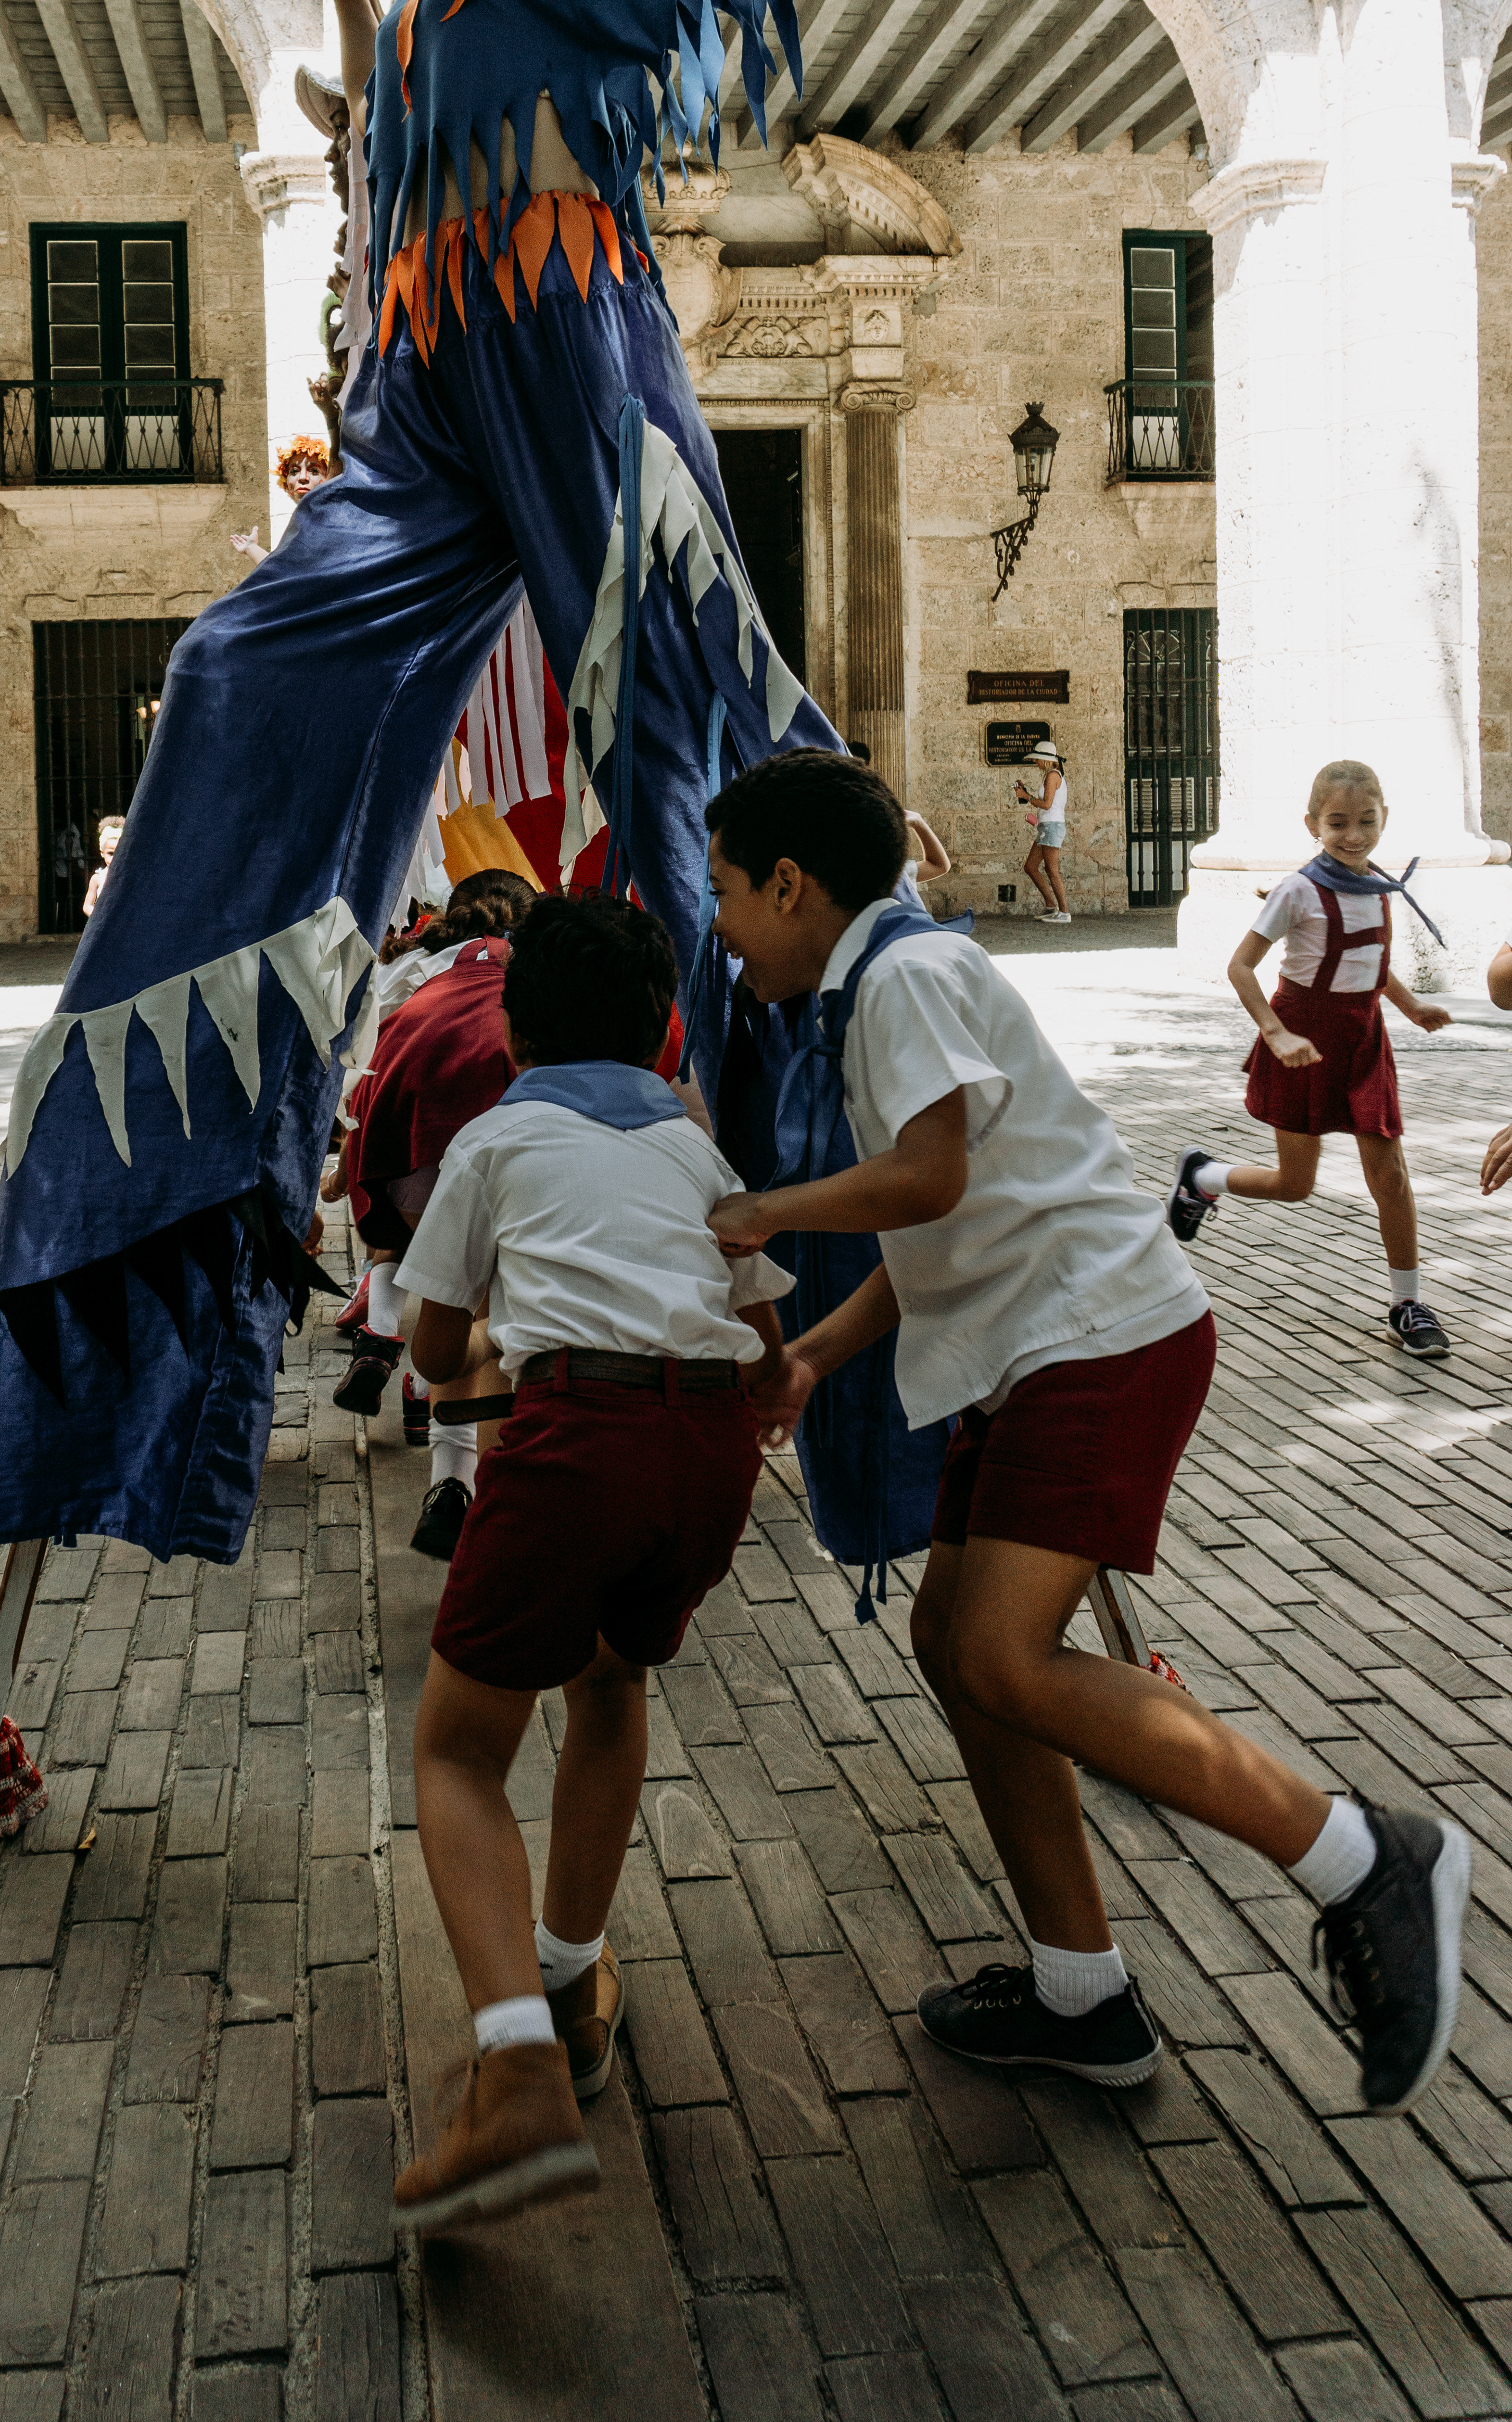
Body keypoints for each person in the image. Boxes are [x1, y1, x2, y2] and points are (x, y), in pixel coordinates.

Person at [0, 0, 1205, 1580]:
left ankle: (883, 1301)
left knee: (712, 791)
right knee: (233, 688)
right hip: (437, 405)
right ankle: (153, 1203)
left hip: (581, 370)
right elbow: (395, 165)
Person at [704, 747, 1471, 2114]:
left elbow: (924, 1173)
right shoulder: (883, 976)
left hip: (1098, 1337)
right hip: (1037, 1345)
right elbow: (949, 1202)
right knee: (956, 1646)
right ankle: (1082, 1995)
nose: (715, 923)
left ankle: (1366, 1854)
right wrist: (818, 1348)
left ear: (787, 882)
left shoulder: (902, 977)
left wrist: (759, 1212)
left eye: (721, 891)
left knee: (1002, 1648)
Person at [389, 891, 807, 2231]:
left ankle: (513, 2060)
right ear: (656, 1027)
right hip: (709, 1454)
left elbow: (432, 1346)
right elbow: (761, 1318)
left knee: (457, 1748)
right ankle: (569, 1977)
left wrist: (482, 1346)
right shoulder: (691, 1139)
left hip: (576, 1437)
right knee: (610, 1681)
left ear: (512, 1028)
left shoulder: (497, 1135)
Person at [1167, 759, 1453, 1361]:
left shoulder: (1379, 884)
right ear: (1313, 824)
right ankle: (1203, 1178)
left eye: (1366, 821)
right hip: (1302, 1039)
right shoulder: (1298, 890)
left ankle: (1407, 1304)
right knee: (1296, 1186)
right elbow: (1241, 967)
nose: (1354, 835)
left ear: (1384, 820)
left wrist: (1410, 1007)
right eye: (1338, 823)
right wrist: (1274, 1034)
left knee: (1391, 1175)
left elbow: (1372, 962)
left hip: (1364, 1039)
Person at [335, 871, 535, 1559]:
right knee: (492, 1314)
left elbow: (373, 1056)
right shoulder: (533, 970)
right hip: (499, 1121)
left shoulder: (420, 970)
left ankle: (448, 1473)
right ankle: (479, 1476)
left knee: (448, 1295)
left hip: (414, 1139)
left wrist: (345, 1162)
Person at [1014, 741, 1070, 923]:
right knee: (1031, 867)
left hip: (1052, 827)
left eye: (1037, 759)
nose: (1035, 762)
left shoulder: (1052, 776)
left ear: (1045, 759)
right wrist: (1027, 793)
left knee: (1052, 870)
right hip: (1047, 826)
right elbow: (1047, 803)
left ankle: (1064, 913)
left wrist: (1026, 796)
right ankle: (1050, 907)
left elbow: (1046, 804)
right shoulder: (1052, 775)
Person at [82, 815, 124, 921]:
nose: (115, 858)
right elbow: (87, 906)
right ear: (102, 853)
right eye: (111, 854)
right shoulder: (98, 878)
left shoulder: (129, 877)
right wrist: (100, 917)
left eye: (119, 853)